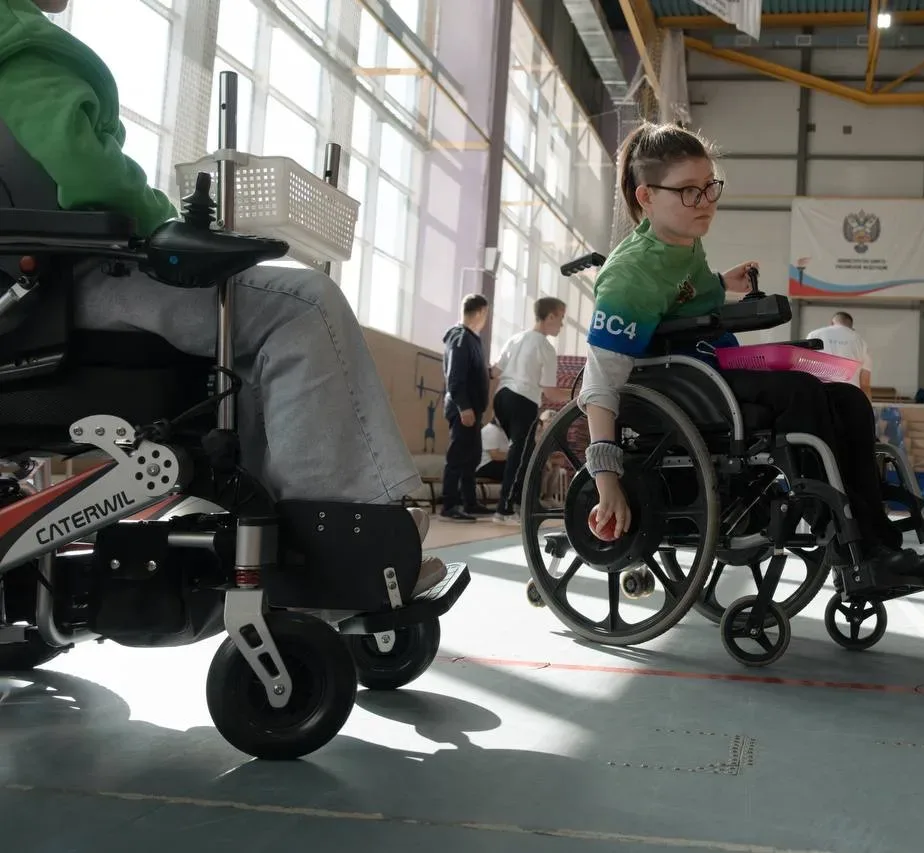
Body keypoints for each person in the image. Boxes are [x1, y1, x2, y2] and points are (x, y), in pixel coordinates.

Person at [0, 0, 447, 595]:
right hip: (58, 289)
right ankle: (340, 550)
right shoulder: (22, 47)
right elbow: (89, 175)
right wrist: (164, 224)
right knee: (303, 306)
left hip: (34, 293)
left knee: (254, 338)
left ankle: (276, 528)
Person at [577, 121, 924, 578]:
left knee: (848, 399)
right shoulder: (629, 275)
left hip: (710, 369)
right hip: (682, 389)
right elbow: (600, 381)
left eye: (710, 187)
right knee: (800, 393)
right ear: (646, 196)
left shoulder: (683, 242)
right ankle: (848, 545)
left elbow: (683, 294)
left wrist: (721, 284)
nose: (705, 202)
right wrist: (606, 478)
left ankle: (876, 538)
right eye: (688, 191)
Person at [490, 296, 569, 523]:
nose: (562, 324)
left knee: (524, 453)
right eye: (561, 318)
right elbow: (551, 393)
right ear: (550, 316)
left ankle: (517, 503)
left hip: (502, 398)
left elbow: (495, 372)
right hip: (522, 400)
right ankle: (504, 510)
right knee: (520, 454)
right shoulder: (545, 347)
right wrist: (579, 394)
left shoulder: (515, 338)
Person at [440, 293, 494, 522]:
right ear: (480, 312)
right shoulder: (460, 338)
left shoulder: (472, 339)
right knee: (457, 457)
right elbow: (455, 376)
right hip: (463, 408)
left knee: (471, 457)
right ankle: (449, 505)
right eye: (486, 314)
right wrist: (463, 407)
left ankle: (469, 502)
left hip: (473, 409)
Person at [808, 311, 873, 398]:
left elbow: (805, 367)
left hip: (820, 392)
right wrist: (868, 404)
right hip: (850, 393)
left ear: (831, 323)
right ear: (851, 327)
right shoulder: (861, 341)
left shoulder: (814, 335)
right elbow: (865, 383)